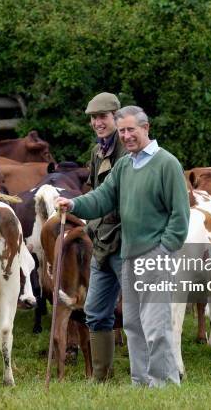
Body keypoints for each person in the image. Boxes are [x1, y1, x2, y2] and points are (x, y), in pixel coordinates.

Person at [56, 105, 190, 387]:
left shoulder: (167, 164)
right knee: (132, 324)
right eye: (123, 131)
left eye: (132, 130)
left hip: (155, 255)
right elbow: (103, 197)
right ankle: (141, 383)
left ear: (146, 128)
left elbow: (180, 216)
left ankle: (164, 385)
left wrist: (163, 250)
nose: (127, 136)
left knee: (156, 325)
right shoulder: (125, 165)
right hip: (129, 255)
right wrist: (74, 204)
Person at [82, 92, 127, 382]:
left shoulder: (128, 148)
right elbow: (93, 190)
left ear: (116, 117)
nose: (98, 123)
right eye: (94, 118)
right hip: (101, 243)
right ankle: (102, 379)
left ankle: (147, 378)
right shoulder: (97, 151)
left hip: (126, 242)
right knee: (96, 311)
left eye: (103, 117)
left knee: (137, 315)